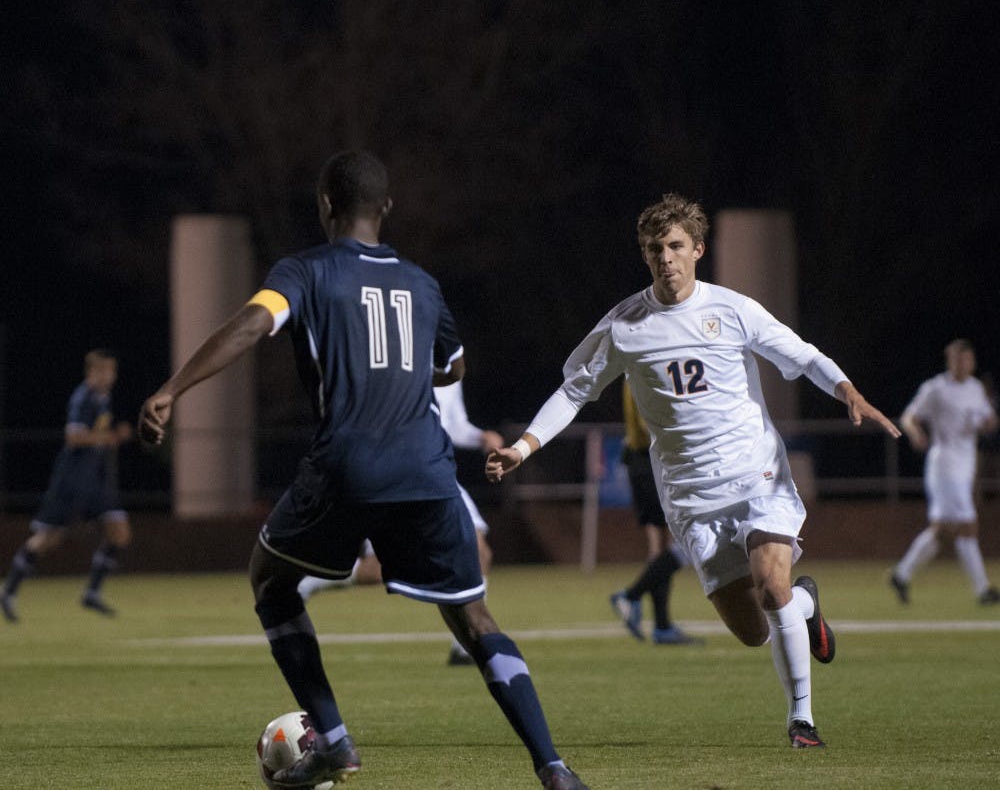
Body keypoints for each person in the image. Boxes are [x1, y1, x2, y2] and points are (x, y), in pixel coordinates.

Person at [138, 151, 588, 790]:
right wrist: (411, 373)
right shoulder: (424, 284)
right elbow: (454, 366)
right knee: (475, 618)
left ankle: (335, 742)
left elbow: (252, 325)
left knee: (270, 580)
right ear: (387, 209)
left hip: (347, 465)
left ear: (325, 205)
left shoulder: (306, 272)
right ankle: (554, 766)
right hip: (428, 474)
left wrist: (172, 388)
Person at [486, 193, 900, 749]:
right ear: (645, 255)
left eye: (677, 246)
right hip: (690, 496)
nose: (666, 258)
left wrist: (847, 389)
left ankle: (801, 719)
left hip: (758, 476)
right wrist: (524, 447)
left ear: (698, 249)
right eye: (655, 249)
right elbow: (575, 390)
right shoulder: (625, 326)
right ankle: (807, 606)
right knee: (755, 630)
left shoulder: (732, 309)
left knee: (770, 586)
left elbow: (799, 355)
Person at [298, 378, 503, 666]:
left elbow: (453, 425)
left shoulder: (445, 360)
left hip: (436, 474)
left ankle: (464, 647)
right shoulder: (392, 358)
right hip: (391, 470)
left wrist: (480, 438)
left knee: (479, 550)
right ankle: (308, 585)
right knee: (381, 569)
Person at [2, 349, 133, 622]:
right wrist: (109, 437)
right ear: (90, 373)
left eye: (111, 371)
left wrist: (110, 437)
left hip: (92, 480)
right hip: (71, 478)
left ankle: (92, 593)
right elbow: (73, 437)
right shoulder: (83, 397)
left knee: (119, 531)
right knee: (48, 539)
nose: (108, 376)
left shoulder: (103, 398)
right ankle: (9, 591)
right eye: (102, 371)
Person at [889, 339, 999, 605]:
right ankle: (983, 590)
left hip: (966, 465)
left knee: (941, 531)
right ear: (950, 361)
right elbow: (909, 416)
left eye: (968, 359)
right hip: (945, 465)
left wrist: (987, 422)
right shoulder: (936, 388)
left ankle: (901, 574)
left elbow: (989, 421)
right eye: (959, 359)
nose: (964, 364)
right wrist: (916, 433)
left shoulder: (975, 388)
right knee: (967, 525)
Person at [609, 379, 701, 645]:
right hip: (650, 462)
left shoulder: (635, 366)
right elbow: (646, 425)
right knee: (679, 543)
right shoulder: (641, 368)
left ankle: (661, 625)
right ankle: (631, 597)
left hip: (644, 461)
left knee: (661, 547)